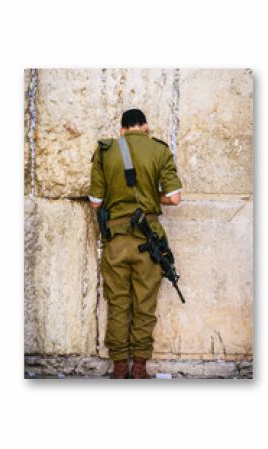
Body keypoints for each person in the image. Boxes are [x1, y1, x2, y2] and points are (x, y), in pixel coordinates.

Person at [89, 109, 182, 379]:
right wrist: (154, 198)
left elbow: (96, 202)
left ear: (122, 129)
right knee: (144, 304)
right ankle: (139, 368)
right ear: (145, 126)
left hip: (116, 242)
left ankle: (119, 368)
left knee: (118, 303)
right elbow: (174, 198)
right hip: (148, 241)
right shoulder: (159, 150)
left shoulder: (106, 151)